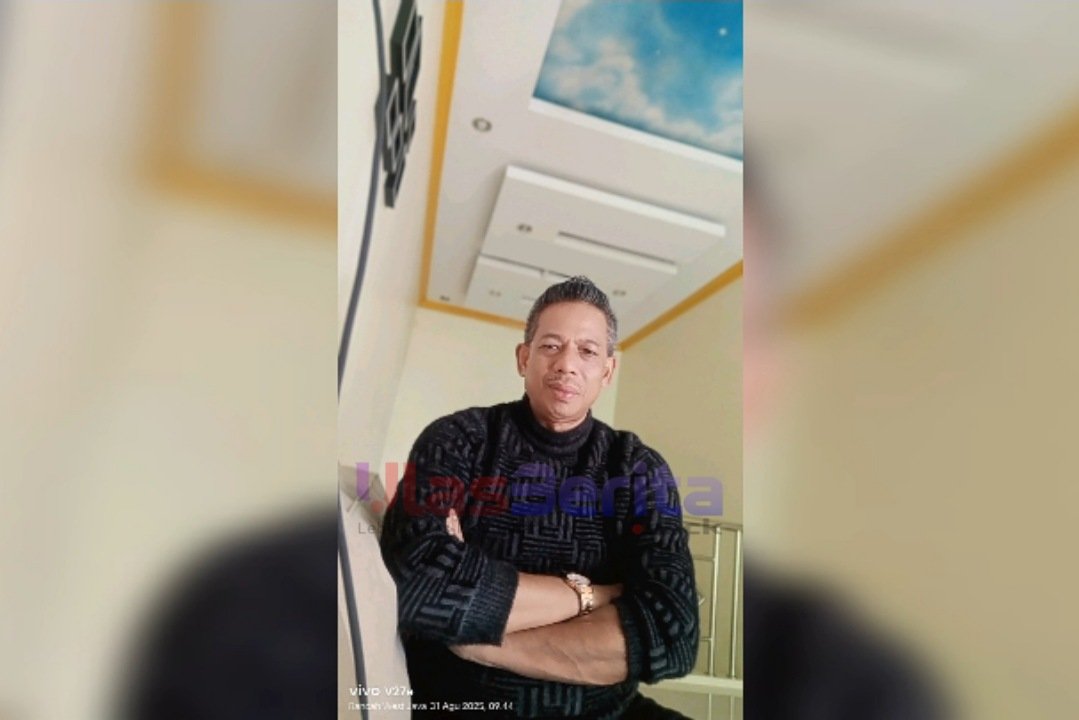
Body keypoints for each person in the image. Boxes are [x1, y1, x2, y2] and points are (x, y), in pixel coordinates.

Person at [379, 277, 698, 719]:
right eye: (551, 346)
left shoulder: (636, 467)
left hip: (605, 712)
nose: (567, 364)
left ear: (607, 371)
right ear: (523, 358)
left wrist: (479, 643)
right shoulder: (459, 440)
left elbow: (672, 634)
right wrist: (594, 596)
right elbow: (419, 591)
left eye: (587, 351)